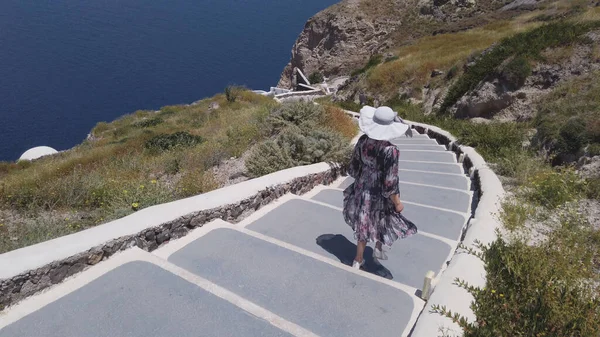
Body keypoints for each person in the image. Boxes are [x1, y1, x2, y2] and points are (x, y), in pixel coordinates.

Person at [343, 106, 418, 269]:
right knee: (382, 218)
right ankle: (378, 247)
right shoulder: (391, 151)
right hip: (380, 191)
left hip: (363, 186)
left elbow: (353, 167)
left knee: (364, 220)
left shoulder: (363, 141)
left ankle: (358, 259)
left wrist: (363, 178)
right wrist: (397, 202)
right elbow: (390, 181)